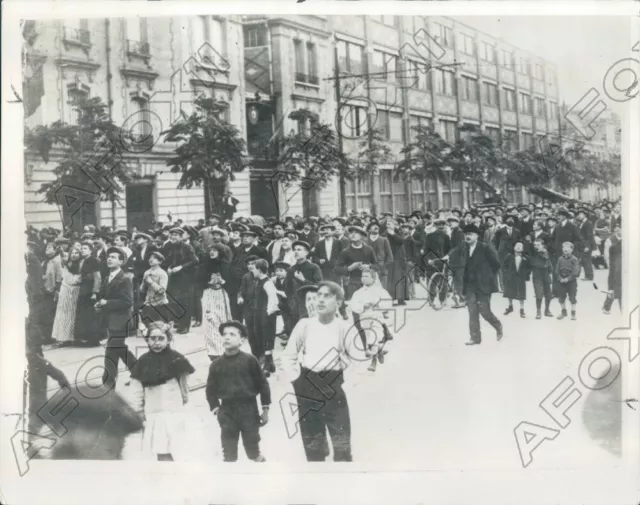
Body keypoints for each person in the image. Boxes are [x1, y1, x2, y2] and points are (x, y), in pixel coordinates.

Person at [282, 281, 366, 462]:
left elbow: (359, 360)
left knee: (341, 441)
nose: (320, 300)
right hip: (307, 383)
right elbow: (288, 355)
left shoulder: (344, 328)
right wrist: (296, 379)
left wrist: (347, 385)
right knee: (312, 442)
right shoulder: (304, 325)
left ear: (339, 303)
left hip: (333, 384)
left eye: (327, 296)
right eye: (318, 295)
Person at [127, 323, 195, 461]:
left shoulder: (177, 359)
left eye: (161, 338)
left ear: (168, 339)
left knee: (177, 445)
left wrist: (184, 398)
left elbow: (184, 382)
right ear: (147, 340)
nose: (156, 343)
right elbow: (137, 388)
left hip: (174, 410)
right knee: (161, 446)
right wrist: (138, 410)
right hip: (154, 411)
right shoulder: (143, 362)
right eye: (152, 339)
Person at [205, 320, 270, 463]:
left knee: (253, 451)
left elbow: (263, 385)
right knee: (229, 454)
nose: (227, 337)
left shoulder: (250, 360)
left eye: (232, 334)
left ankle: (263, 477)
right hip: (227, 411)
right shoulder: (216, 365)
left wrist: (265, 409)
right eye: (224, 334)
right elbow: (210, 389)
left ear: (242, 340)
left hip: (249, 410)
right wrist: (216, 409)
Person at [97, 247, 138, 388]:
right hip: (112, 320)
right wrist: (100, 303)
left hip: (121, 321)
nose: (109, 259)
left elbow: (127, 302)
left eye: (114, 257)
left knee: (111, 353)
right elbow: (104, 296)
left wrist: (107, 303)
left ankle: (108, 384)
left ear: (121, 261)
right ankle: (140, 373)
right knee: (119, 349)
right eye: (109, 256)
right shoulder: (107, 277)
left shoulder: (124, 279)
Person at [457, 223, 503, 346]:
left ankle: (498, 325)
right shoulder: (464, 249)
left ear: (476, 236)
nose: (467, 237)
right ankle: (475, 338)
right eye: (466, 234)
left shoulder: (485, 248)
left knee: (484, 311)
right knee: (472, 311)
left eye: (470, 234)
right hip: (470, 286)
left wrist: (486, 276)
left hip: (484, 285)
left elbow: (496, 264)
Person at [348, 268, 393, 372]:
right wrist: (363, 306)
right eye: (362, 276)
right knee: (370, 339)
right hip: (364, 318)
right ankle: (380, 351)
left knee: (374, 337)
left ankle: (373, 362)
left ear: (373, 278)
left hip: (377, 317)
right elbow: (353, 305)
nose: (363, 279)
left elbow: (388, 303)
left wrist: (376, 304)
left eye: (367, 276)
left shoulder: (380, 291)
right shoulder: (358, 293)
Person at [245, 258, 280, 375]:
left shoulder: (267, 282)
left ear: (259, 270)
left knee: (266, 338)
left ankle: (266, 364)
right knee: (259, 336)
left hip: (266, 315)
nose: (252, 271)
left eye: (254, 269)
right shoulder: (258, 281)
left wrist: (268, 313)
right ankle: (270, 364)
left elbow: (273, 299)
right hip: (258, 313)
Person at [162, 228, 199, 334]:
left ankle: (185, 326)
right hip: (172, 277)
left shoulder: (187, 247)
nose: (173, 237)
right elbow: (165, 260)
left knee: (184, 302)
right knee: (173, 301)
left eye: (176, 235)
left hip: (184, 278)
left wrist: (181, 267)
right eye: (172, 235)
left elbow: (195, 260)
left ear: (181, 237)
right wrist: (168, 267)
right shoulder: (168, 246)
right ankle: (178, 323)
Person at [284, 240, 323, 327]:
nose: (296, 252)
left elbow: (319, 286)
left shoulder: (314, 267)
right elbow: (288, 288)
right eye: (294, 250)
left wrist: (303, 280)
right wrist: (291, 302)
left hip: (310, 304)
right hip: (295, 305)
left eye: (299, 249)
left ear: (306, 253)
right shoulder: (291, 269)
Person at [335, 226, 378, 301]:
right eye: (351, 233)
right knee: (355, 308)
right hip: (353, 284)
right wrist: (349, 268)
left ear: (362, 236)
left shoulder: (369, 249)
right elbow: (336, 269)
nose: (353, 235)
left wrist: (369, 266)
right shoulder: (345, 252)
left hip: (368, 283)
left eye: (356, 233)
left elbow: (377, 266)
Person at [51, 247, 82, 345]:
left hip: (75, 291)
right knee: (63, 314)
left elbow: (78, 279)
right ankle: (62, 337)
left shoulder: (81, 265)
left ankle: (71, 338)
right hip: (65, 290)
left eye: (77, 253)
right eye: (72, 252)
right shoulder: (67, 265)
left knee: (72, 315)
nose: (74, 254)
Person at [74, 241, 102, 346]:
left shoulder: (94, 261)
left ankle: (94, 339)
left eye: (85, 248)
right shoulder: (82, 261)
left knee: (91, 316)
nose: (82, 250)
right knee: (85, 315)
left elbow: (97, 277)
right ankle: (87, 338)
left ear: (91, 250)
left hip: (90, 290)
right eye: (82, 248)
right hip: (83, 290)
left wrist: (95, 292)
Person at [139, 251, 172, 327]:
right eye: (150, 258)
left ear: (160, 261)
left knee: (160, 328)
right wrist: (143, 283)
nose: (151, 260)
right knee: (148, 328)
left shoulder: (162, 273)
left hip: (160, 305)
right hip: (148, 304)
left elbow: (162, 290)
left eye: (154, 259)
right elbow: (142, 290)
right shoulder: (146, 272)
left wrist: (151, 282)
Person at [501, 240, 531, 318]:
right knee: (509, 292)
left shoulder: (526, 257)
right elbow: (504, 266)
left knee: (521, 293)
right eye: (516, 245)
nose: (518, 246)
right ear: (514, 247)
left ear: (523, 249)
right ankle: (510, 306)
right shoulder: (509, 256)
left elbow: (529, 268)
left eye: (520, 245)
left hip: (520, 278)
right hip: (511, 277)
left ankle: (522, 309)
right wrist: (507, 273)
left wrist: (526, 274)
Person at [555, 241, 580, 321]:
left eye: (568, 247)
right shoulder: (560, 259)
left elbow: (575, 272)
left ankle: (573, 313)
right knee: (561, 297)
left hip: (571, 282)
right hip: (561, 281)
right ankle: (563, 312)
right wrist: (560, 278)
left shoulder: (574, 259)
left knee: (572, 297)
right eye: (563, 247)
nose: (565, 249)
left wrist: (568, 279)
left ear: (572, 250)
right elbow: (556, 271)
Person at [530, 237, 554, 319]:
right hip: (537, 276)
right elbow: (535, 263)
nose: (536, 246)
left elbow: (549, 263)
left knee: (549, 294)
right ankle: (538, 311)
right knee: (539, 294)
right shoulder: (533, 253)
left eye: (538, 245)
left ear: (543, 246)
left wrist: (550, 269)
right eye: (535, 245)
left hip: (546, 275)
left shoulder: (546, 253)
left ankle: (547, 310)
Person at [365, 222, 393, 289]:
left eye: (377, 226)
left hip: (382, 272)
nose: (376, 227)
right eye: (373, 226)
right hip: (368, 271)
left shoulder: (384, 240)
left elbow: (390, 257)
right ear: (369, 230)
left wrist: (383, 267)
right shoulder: (365, 241)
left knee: (383, 293)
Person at [603, 221, 622, 313]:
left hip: (622, 266)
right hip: (614, 266)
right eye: (616, 227)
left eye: (620, 227)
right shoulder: (610, 240)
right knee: (613, 286)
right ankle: (606, 306)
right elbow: (607, 254)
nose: (618, 229)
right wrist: (609, 266)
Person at [576, 208, 596, 281]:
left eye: (581, 214)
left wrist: (587, 246)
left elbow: (589, 236)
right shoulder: (582, 223)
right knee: (584, 260)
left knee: (587, 261)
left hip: (587, 245)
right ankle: (587, 275)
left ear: (585, 215)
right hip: (583, 244)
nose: (579, 216)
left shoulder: (588, 223)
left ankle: (589, 276)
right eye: (579, 214)